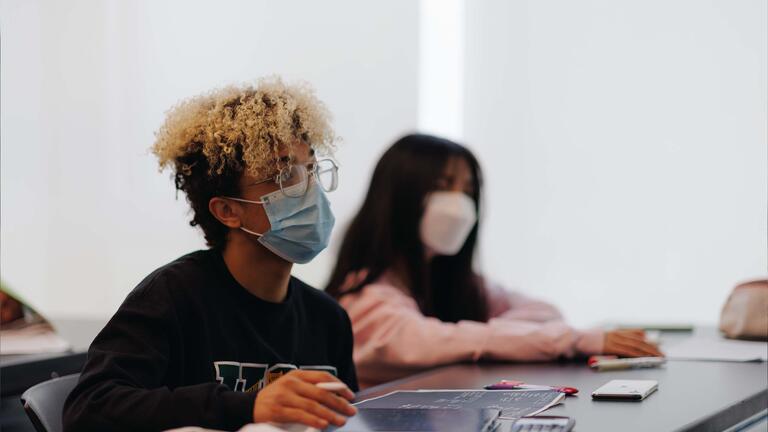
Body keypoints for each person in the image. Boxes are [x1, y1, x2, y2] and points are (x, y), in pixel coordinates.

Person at [63, 78, 358, 431]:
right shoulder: (172, 297)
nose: (309, 187)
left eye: (310, 168)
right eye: (283, 174)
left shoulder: (328, 320)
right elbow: (89, 408)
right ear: (228, 211)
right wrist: (246, 407)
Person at [326, 133, 662, 388]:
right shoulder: (363, 298)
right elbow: (426, 341)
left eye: (468, 189)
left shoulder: (449, 281)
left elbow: (546, 314)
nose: (459, 203)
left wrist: (483, 335)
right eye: (444, 185)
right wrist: (569, 339)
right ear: (400, 196)